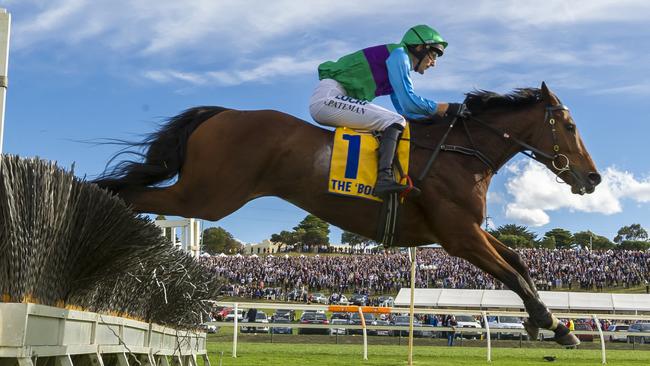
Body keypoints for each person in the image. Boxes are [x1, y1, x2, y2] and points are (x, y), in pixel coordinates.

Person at [310, 25, 470, 198]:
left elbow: (405, 111)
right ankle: (383, 179)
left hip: (336, 99)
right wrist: (446, 108)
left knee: (397, 121)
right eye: (434, 54)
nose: (434, 63)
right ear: (419, 47)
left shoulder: (397, 60)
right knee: (394, 121)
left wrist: (439, 120)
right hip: (329, 98)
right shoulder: (399, 55)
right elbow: (409, 103)